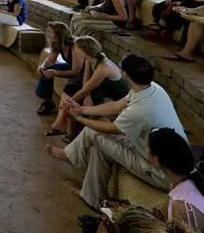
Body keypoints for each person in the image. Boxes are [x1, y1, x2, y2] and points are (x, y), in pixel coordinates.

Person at [45, 53, 186, 208]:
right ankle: (91, 196)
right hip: (159, 154)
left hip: (161, 171)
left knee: (94, 133)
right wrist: (82, 109)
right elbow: (115, 106)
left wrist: (79, 119)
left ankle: (71, 155)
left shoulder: (139, 110)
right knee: (100, 146)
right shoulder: (152, 88)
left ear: (126, 74)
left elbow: (110, 128)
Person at [148, 128, 204, 233]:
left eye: (148, 147)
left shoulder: (181, 208)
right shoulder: (193, 178)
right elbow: (163, 211)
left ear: (156, 159)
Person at [44, 36, 129, 138]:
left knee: (78, 101)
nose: (74, 50)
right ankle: (69, 130)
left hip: (116, 97)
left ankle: (87, 133)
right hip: (102, 90)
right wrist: (79, 98)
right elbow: (85, 82)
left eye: (76, 48)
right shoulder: (89, 59)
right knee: (70, 89)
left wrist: (69, 103)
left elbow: (86, 89)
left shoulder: (103, 67)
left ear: (85, 50)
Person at [35, 22, 81, 115]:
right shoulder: (56, 44)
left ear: (59, 34)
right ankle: (48, 102)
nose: (49, 34)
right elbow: (51, 60)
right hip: (71, 67)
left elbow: (76, 72)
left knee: (52, 71)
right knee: (46, 70)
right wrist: (43, 66)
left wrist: (55, 72)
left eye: (51, 32)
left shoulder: (75, 47)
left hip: (82, 71)